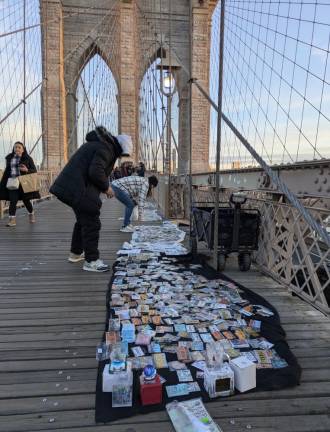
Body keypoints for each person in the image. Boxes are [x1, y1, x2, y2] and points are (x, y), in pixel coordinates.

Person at [50, 127, 132, 272]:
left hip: (72, 187)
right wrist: (107, 188)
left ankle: (75, 253)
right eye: (122, 154)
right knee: (92, 222)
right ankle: (91, 261)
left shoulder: (100, 144)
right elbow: (95, 171)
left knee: (83, 220)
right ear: (119, 147)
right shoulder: (106, 149)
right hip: (79, 188)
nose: (120, 157)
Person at [0, 141, 40, 227]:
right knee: (13, 201)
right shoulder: (10, 158)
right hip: (13, 182)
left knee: (26, 200)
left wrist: (27, 170)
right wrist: (3, 183)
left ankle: (31, 213)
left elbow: (34, 171)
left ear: (23, 149)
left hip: (24, 183)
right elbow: (7, 171)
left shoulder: (28, 159)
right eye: (15, 147)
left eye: (19, 147)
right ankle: (12, 220)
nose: (17, 149)